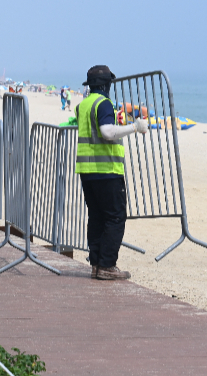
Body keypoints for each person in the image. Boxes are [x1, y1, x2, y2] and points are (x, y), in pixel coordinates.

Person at [75, 65, 148, 281]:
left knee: (96, 217)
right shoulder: (103, 103)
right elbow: (107, 132)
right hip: (106, 170)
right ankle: (107, 265)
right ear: (107, 85)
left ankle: (96, 264)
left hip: (86, 170)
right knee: (115, 217)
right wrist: (135, 127)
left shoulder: (82, 106)